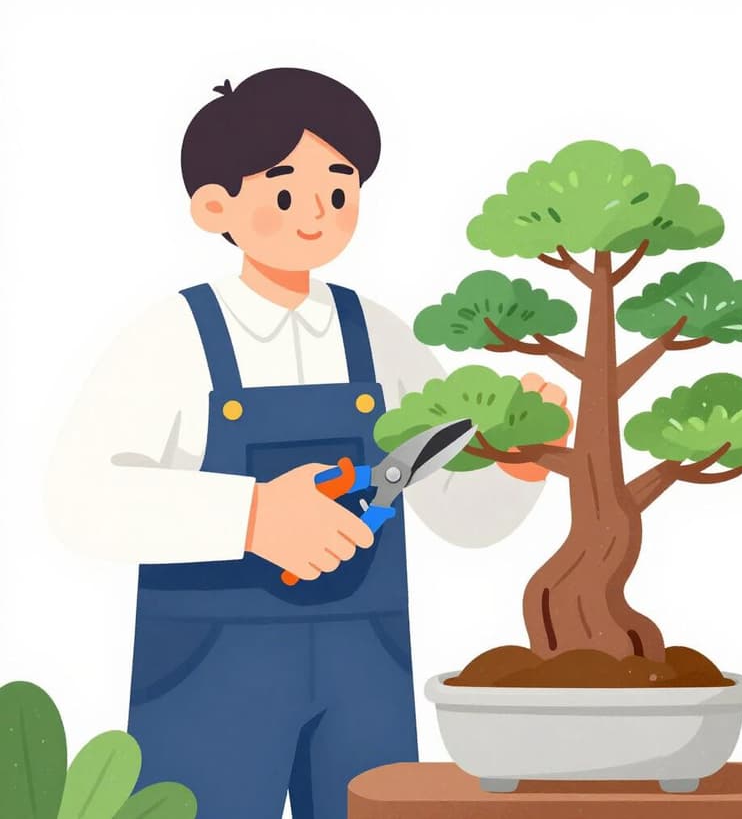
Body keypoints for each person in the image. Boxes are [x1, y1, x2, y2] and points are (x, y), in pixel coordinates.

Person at [46, 67, 550, 819]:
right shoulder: (172, 338)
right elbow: (79, 499)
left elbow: (456, 510)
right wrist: (252, 517)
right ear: (215, 206)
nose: (318, 210)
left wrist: (522, 456)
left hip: (365, 671)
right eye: (286, 190)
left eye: (341, 189)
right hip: (208, 676)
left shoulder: (385, 337)